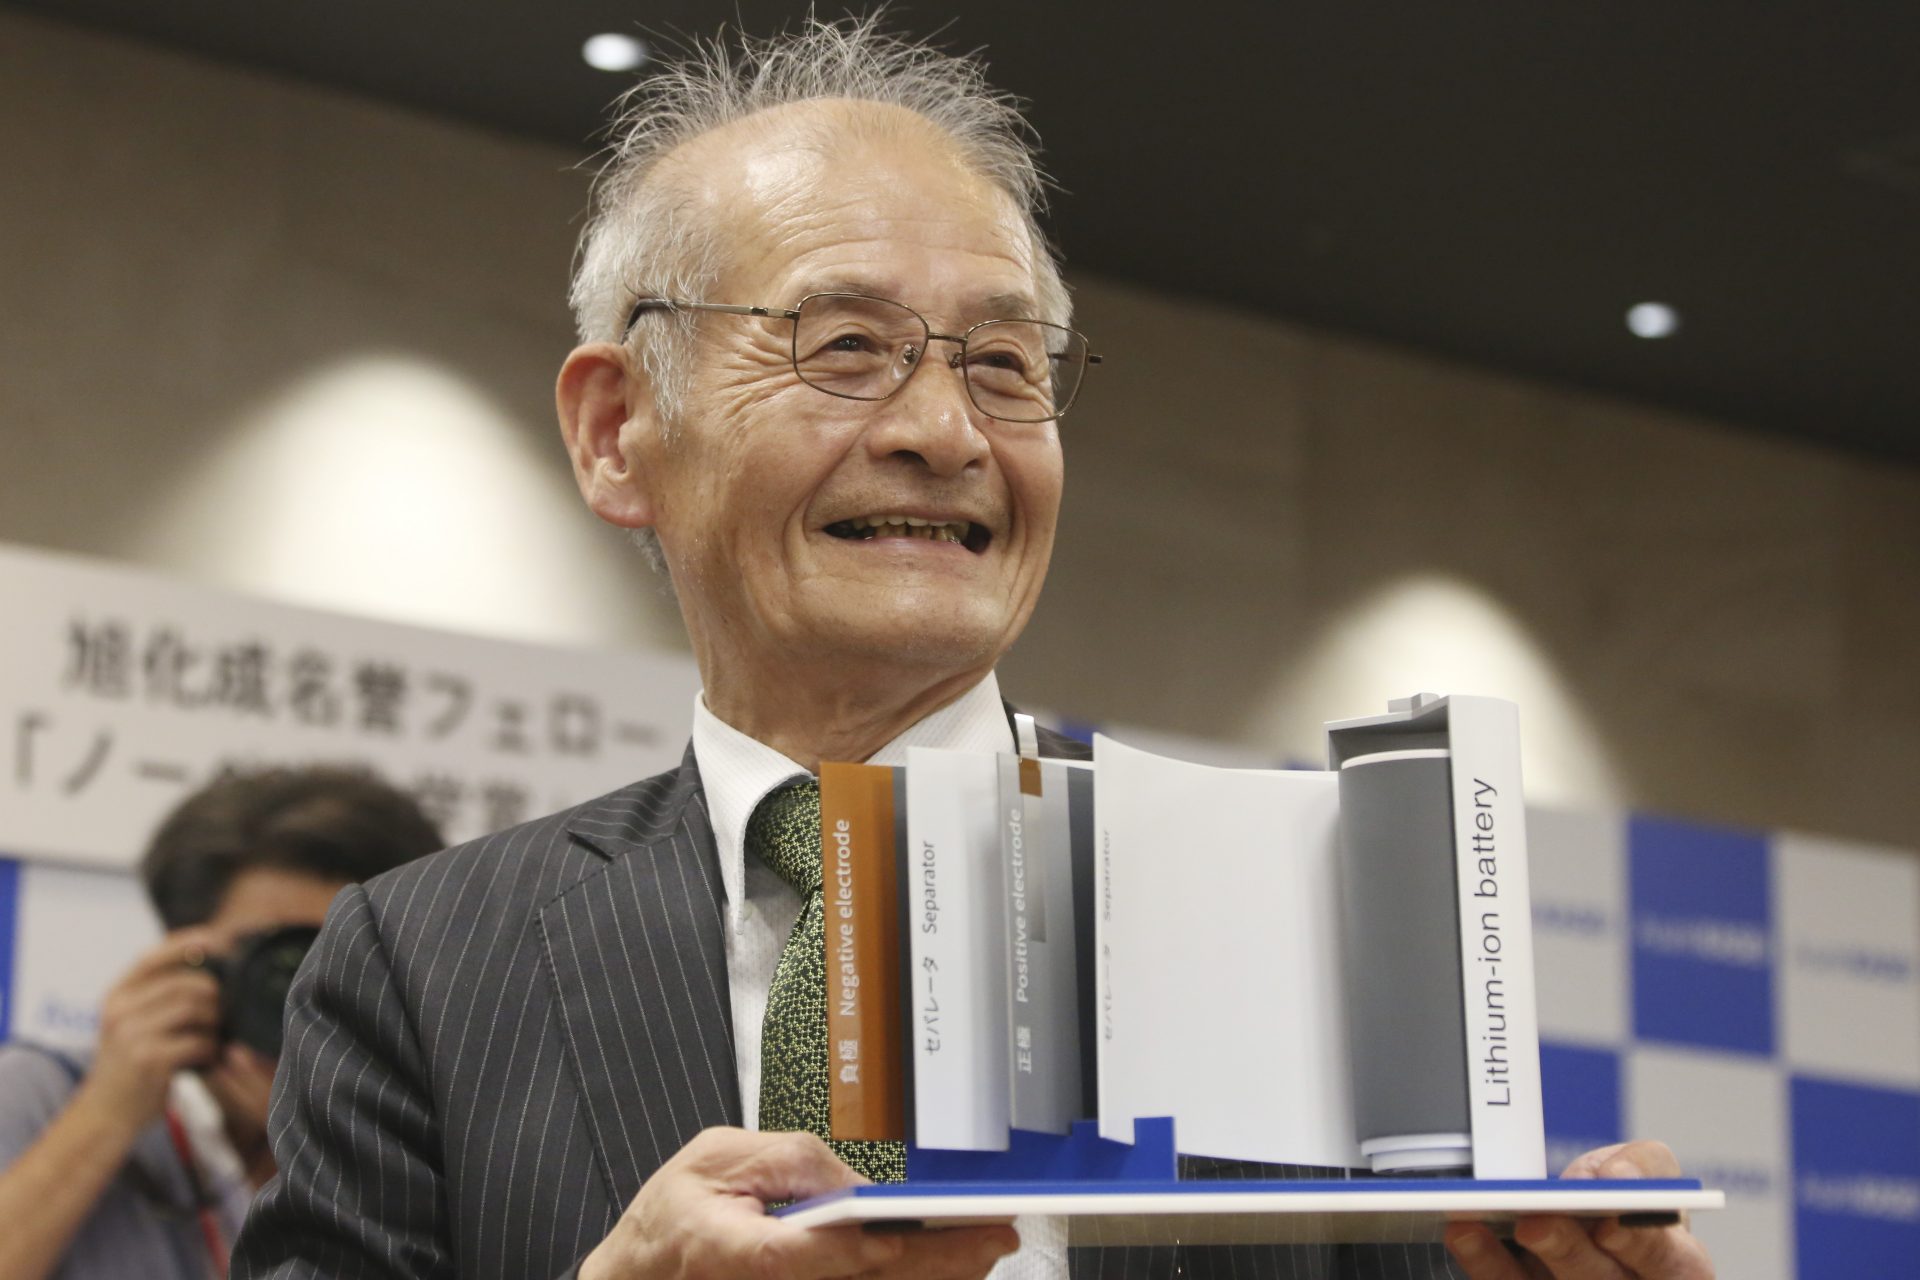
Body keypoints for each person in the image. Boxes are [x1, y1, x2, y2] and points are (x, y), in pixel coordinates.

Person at [232, 18, 1716, 1280]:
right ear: (620, 431)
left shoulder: (1298, 902)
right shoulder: (420, 965)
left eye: (1005, 365)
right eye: (846, 349)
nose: (946, 433)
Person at [0, 767, 442, 1280]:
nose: (304, 994)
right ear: (190, 956)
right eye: (276, 958)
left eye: (342, 961)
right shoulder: (48, 1095)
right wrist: (108, 1112)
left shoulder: (420, 1135)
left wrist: (321, 1140)